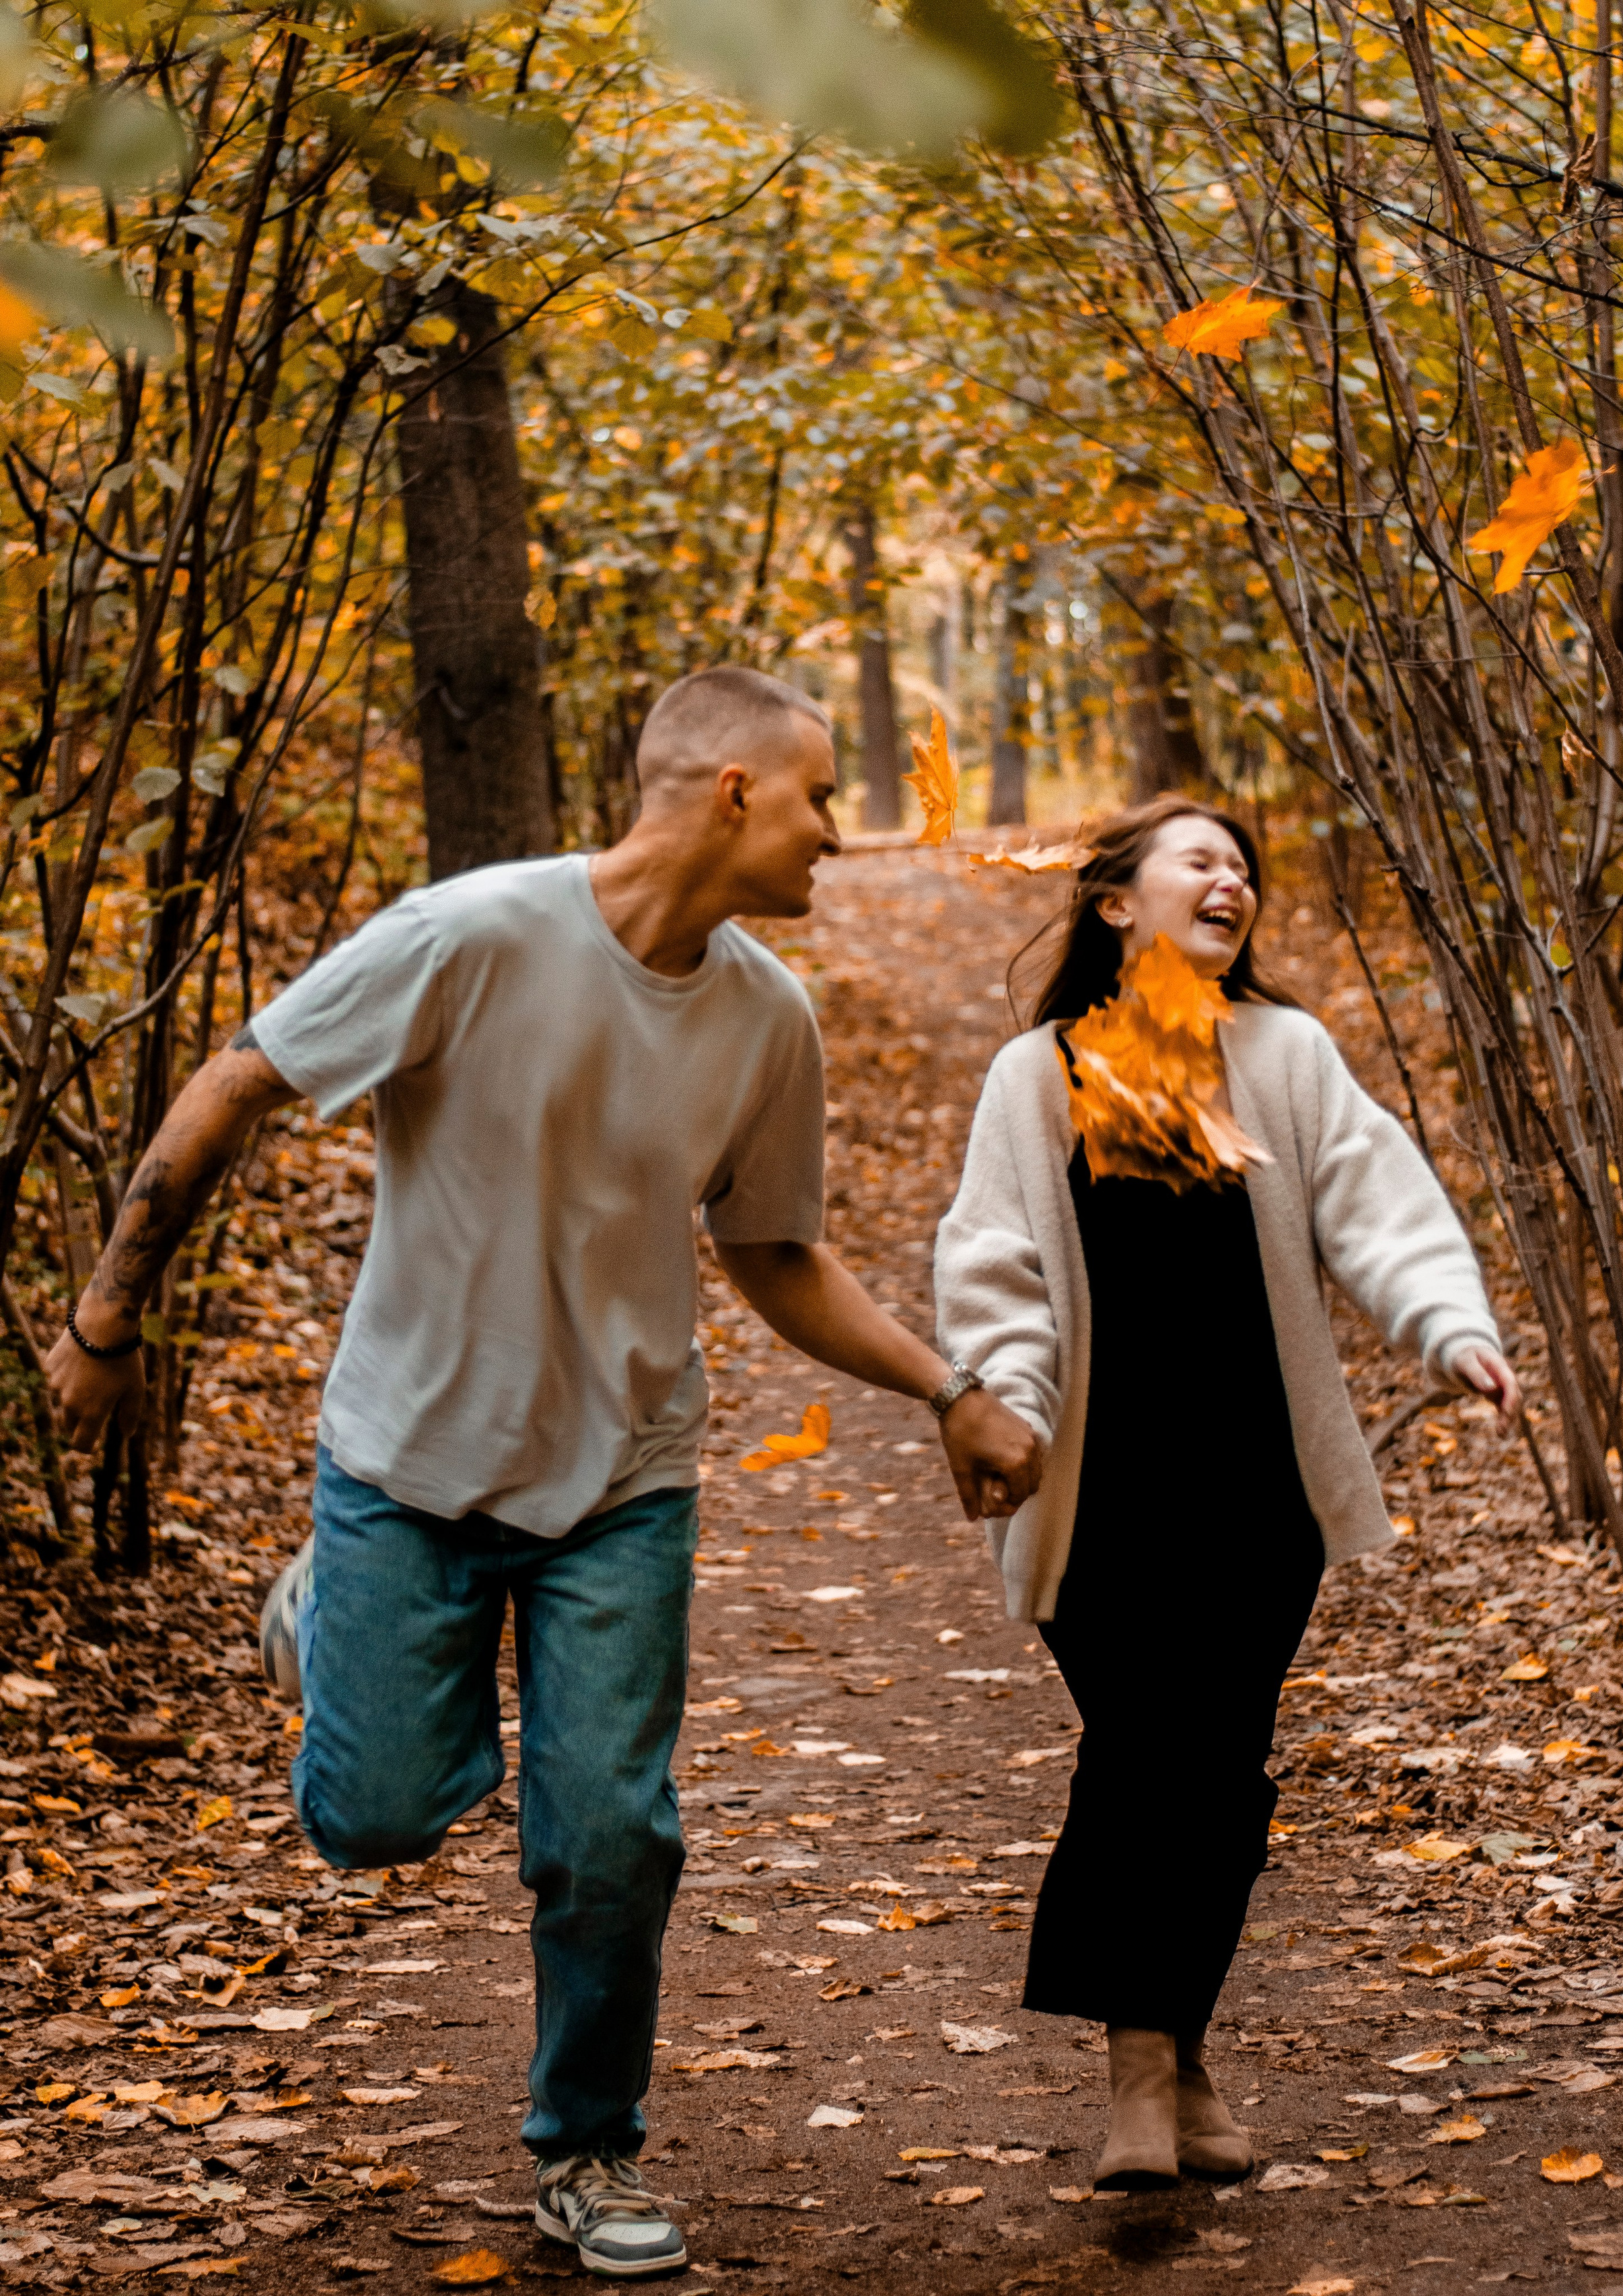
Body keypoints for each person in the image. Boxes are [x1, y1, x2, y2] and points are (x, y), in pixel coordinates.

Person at [47, 665, 1042, 2279]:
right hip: (408, 1461)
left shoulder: (765, 1018)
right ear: (729, 792)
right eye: (814, 801)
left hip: (622, 1487)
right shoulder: (470, 935)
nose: (835, 838)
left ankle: (584, 2149)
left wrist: (947, 1388)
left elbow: (775, 1252)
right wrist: (106, 1314)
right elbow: (240, 1081)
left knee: (611, 1838)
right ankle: (330, 1620)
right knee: (370, 1824)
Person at [933, 795, 1515, 2192]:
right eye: (1198, 858)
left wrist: (1447, 1322)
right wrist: (1000, 1396)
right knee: (1147, 1750)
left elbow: (1377, 1205)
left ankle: (1173, 2055)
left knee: (1215, 1766)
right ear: (1118, 901)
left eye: (1242, 865)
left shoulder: (1284, 1054)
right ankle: (1145, 2070)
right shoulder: (1035, 1075)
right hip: (1100, 1486)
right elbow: (993, 1263)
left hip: (1257, 1492)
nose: (1229, 879)